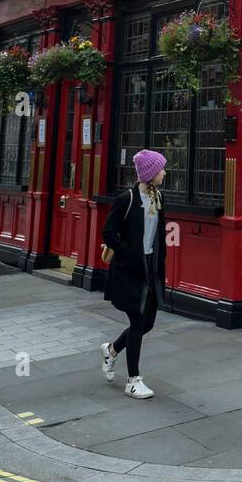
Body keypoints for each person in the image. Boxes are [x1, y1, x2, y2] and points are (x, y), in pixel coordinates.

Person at [100, 149, 167, 399]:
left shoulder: (158, 198)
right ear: (150, 173)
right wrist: (128, 254)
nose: (164, 172)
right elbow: (108, 233)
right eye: (161, 169)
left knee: (148, 323)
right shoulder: (126, 199)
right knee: (138, 321)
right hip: (129, 270)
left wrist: (159, 266)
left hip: (150, 270)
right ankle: (133, 380)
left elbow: (159, 238)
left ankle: (112, 350)